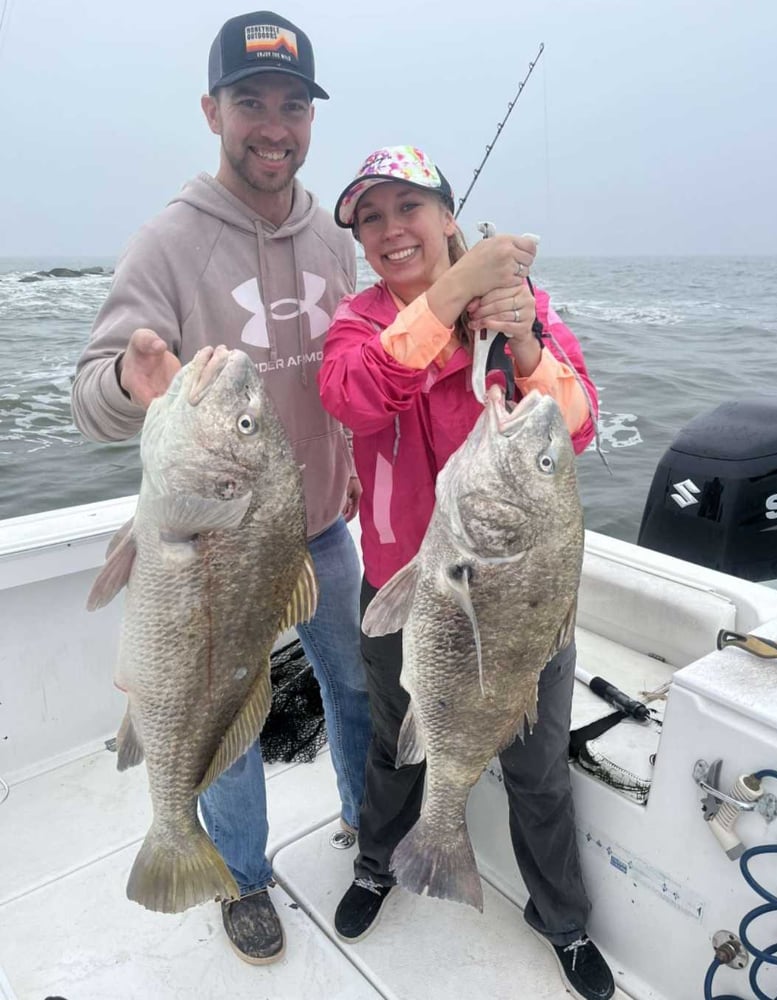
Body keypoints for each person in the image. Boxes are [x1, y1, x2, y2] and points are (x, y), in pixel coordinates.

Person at [71, 10, 371, 966]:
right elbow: (91, 398)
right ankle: (237, 873)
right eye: (251, 102)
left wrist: (353, 463)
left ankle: (371, 830)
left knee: (357, 688)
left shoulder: (334, 236)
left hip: (320, 531)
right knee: (228, 716)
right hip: (210, 550)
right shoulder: (167, 241)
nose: (272, 125)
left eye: (292, 105)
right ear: (212, 111)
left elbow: (338, 371)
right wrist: (131, 380)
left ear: (310, 121)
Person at [318, 145, 614, 1000]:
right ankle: (379, 863)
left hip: (518, 596)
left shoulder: (518, 314)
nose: (388, 230)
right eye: (369, 218)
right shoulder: (357, 323)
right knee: (394, 749)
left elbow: (576, 426)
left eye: (406, 207)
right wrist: (450, 297)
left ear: (448, 217)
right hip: (399, 586)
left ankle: (560, 919)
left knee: (536, 767)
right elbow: (355, 397)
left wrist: (520, 338)